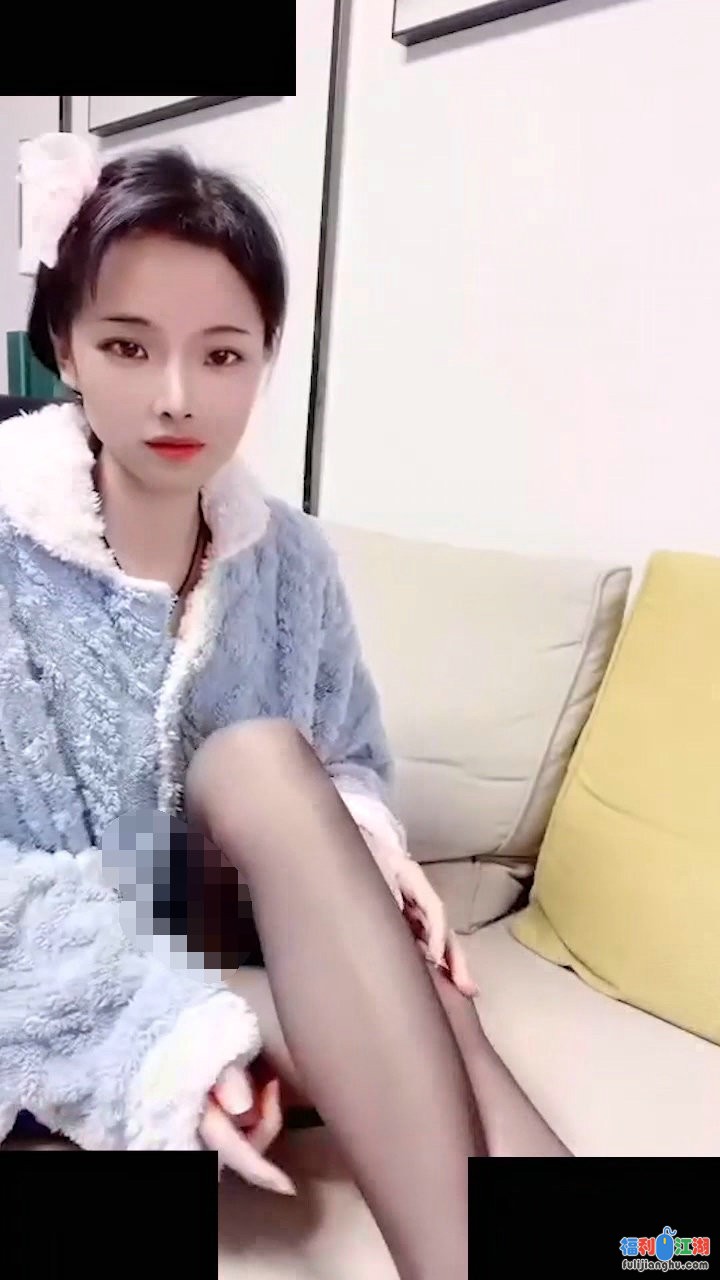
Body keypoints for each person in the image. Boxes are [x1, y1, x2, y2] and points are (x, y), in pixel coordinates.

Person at [0, 134, 568, 1280]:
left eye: (222, 353)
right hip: (63, 974)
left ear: (263, 359)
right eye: (127, 345)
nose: (177, 395)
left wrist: (361, 838)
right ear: (63, 347)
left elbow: (344, 752)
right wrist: (160, 1032)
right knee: (429, 1014)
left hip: (247, 938)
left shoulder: (290, 559)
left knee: (266, 758)